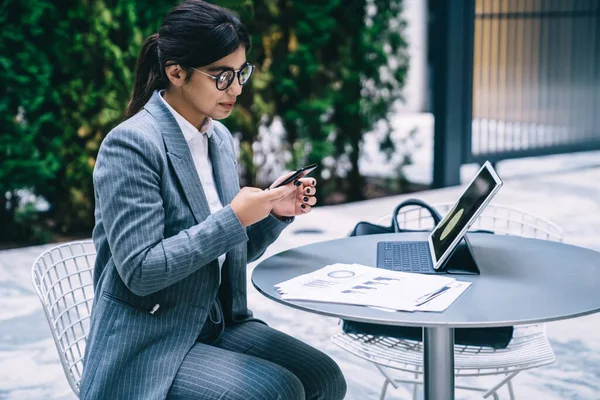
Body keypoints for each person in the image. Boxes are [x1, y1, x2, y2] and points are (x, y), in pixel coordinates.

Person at [79, 1, 347, 399]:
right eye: (222, 76)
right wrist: (233, 218)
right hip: (152, 340)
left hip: (218, 323)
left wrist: (272, 214)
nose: (237, 88)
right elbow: (140, 271)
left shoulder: (217, 138)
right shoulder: (131, 145)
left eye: (241, 72)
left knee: (325, 376)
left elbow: (225, 252)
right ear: (176, 72)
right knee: (276, 391)